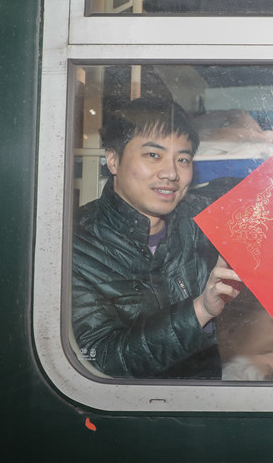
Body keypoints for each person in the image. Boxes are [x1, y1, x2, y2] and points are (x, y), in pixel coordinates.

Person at [71, 97, 242, 378]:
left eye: (183, 159)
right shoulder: (74, 245)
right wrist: (200, 310)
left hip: (204, 398)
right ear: (113, 159)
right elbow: (97, 363)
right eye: (153, 155)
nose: (171, 173)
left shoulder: (203, 221)